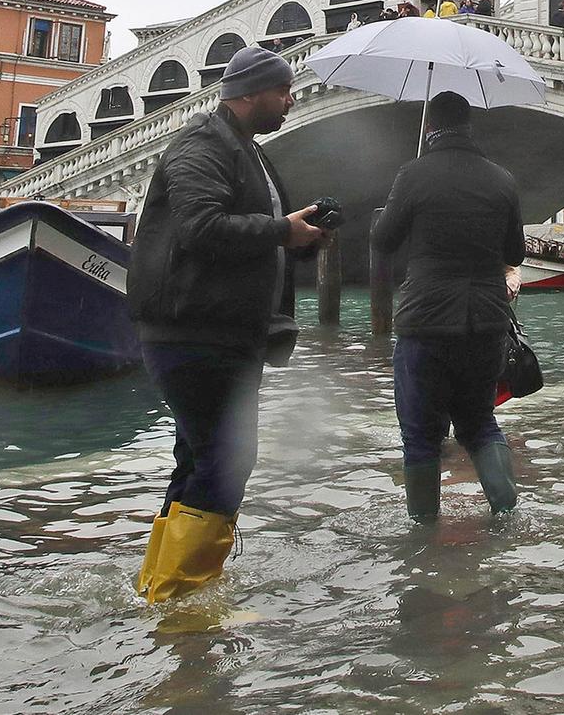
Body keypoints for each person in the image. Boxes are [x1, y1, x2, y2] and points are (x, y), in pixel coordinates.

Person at [126, 46, 331, 601]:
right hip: (193, 330)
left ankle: (161, 587)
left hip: (226, 331)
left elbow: (254, 234)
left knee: (200, 454)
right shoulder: (200, 144)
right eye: (282, 90)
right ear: (246, 94)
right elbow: (200, 228)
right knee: (227, 455)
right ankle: (182, 598)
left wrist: (300, 236)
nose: (291, 100)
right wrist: (280, 231)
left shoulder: (246, 151)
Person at [373, 91, 524, 520]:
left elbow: (382, 240)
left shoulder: (413, 174)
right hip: (484, 323)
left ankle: (422, 537)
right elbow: (514, 249)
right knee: (479, 424)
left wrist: (402, 204)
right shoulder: (501, 179)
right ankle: (507, 513)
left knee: (420, 436)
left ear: (428, 127)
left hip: (426, 322)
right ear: (469, 126)